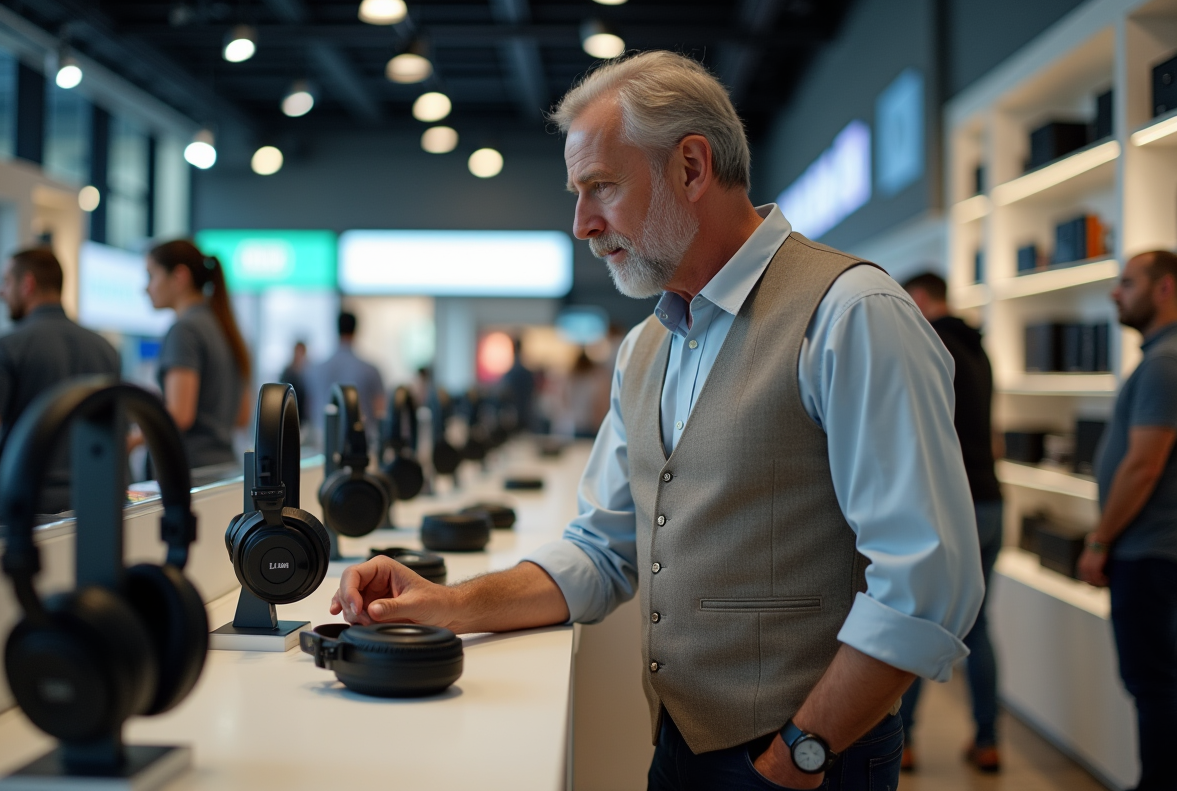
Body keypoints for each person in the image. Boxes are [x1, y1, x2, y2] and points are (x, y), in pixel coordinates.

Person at [328, 51, 982, 791]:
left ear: (692, 168)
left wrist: (800, 751)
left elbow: (926, 584)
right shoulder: (647, 347)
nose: (581, 224)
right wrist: (450, 604)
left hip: (809, 760)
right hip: (678, 745)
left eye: (600, 186)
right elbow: (603, 549)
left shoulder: (851, 314)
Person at [1077, 250, 1177, 791]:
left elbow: (1143, 466)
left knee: (1154, 685)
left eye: (1128, 282)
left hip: (1148, 554)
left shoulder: (1165, 362)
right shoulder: (1161, 358)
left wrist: (1099, 539)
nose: (1116, 292)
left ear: (1164, 289)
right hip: (1152, 551)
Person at [901, 271, 1003, 773]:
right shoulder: (979, 347)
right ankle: (988, 739)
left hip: (950, 505)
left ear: (919, 299)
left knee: (917, 619)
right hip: (991, 501)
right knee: (979, 629)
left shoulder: (929, 346)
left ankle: (902, 740)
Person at [0, 247, 119, 516]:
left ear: (28, 283)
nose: (0, 292)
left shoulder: (6, 346)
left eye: (6, 281)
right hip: (88, 504)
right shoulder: (105, 349)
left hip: (21, 506)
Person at [144, 239, 251, 469]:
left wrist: (134, 436)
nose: (146, 288)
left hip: (189, 471)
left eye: (151, 276)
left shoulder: (185, 330)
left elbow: (180, 414)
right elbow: (242, 416)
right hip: (223, 468)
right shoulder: (225, 327)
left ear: (179, 276)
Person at [306, 312, 385, 444]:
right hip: (360, 442)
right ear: (356, 330)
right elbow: (380, 410)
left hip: (323, 439)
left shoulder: (315, 369)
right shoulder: (370, 370)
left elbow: (310, 406)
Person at [500, 338, 537, 432]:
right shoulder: (527, 373)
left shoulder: (511, 374)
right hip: (526, 413)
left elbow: (505, 394)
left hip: (514, 415)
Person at [280, 340, 310, 421]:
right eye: (297, 351)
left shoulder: (308, 371)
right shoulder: (287, 371)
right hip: (289, 411)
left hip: (304, 414)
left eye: (301, 352)